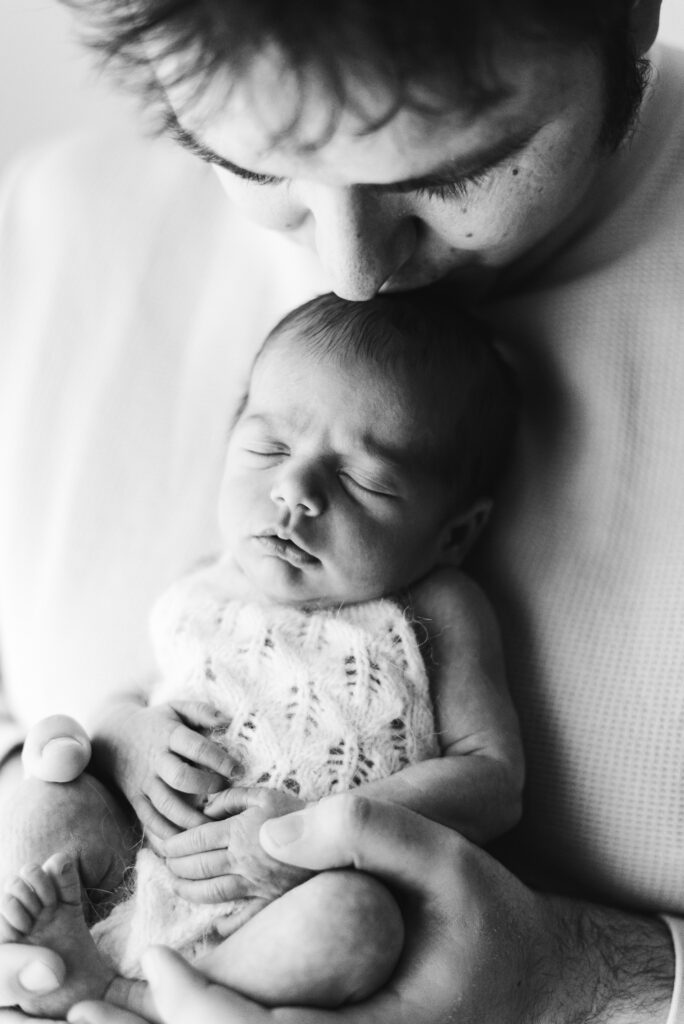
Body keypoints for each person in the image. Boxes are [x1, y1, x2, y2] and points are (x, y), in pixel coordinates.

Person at [0, 0, 683, 1021]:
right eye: (251, 160)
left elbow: (485, 775)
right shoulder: (42, 229)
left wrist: (589, 972)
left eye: (450, 169)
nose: (354, 271)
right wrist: (69, 769)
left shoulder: (437, 613)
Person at [0, 291, 522, 1019]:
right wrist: (131, 742)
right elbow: (130, 702)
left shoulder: (437, 604)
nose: (295, 490)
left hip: (291, 902)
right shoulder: (206, 585)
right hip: (142, 865)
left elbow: (494, 781)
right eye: (267, 449)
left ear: (453, 532)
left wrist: (312, 828)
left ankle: (132, 996)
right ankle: (45, 960)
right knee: (43, 802)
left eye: (364, 480)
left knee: (359, 923)